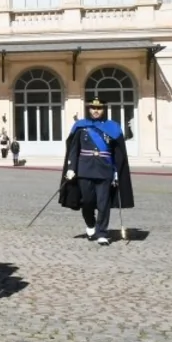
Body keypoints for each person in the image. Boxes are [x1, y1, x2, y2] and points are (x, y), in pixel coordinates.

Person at [59, 97, 135, 245]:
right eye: (93, 108)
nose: (96, 111)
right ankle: (91, 224)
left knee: (103, 203)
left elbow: (117, 153)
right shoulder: (80, 127)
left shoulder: (112, 127)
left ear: (104, 109)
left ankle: (102, 233)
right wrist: (70, 168)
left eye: (99, 108)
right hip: (84, 169)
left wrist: (116, 171)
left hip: (104, 170)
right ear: (89, 109)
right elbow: (74, 150)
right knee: (87, 201)